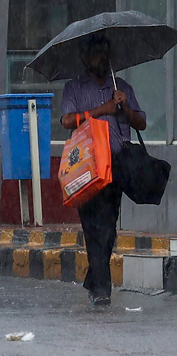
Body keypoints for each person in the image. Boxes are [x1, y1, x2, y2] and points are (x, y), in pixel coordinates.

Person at [60, 34, 146, 306]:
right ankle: (102, 290)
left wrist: (125, 108)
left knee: (108, 228)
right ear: (86, 59)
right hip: (87, 167)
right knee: (92, 227)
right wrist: (102, 109)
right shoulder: (74, 88)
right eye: (97, 54)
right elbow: (67, 120)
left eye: (106, 53)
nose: (103, 58)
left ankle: (94, 278)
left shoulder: (121, 87)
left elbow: (141, 123)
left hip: (117, 165)